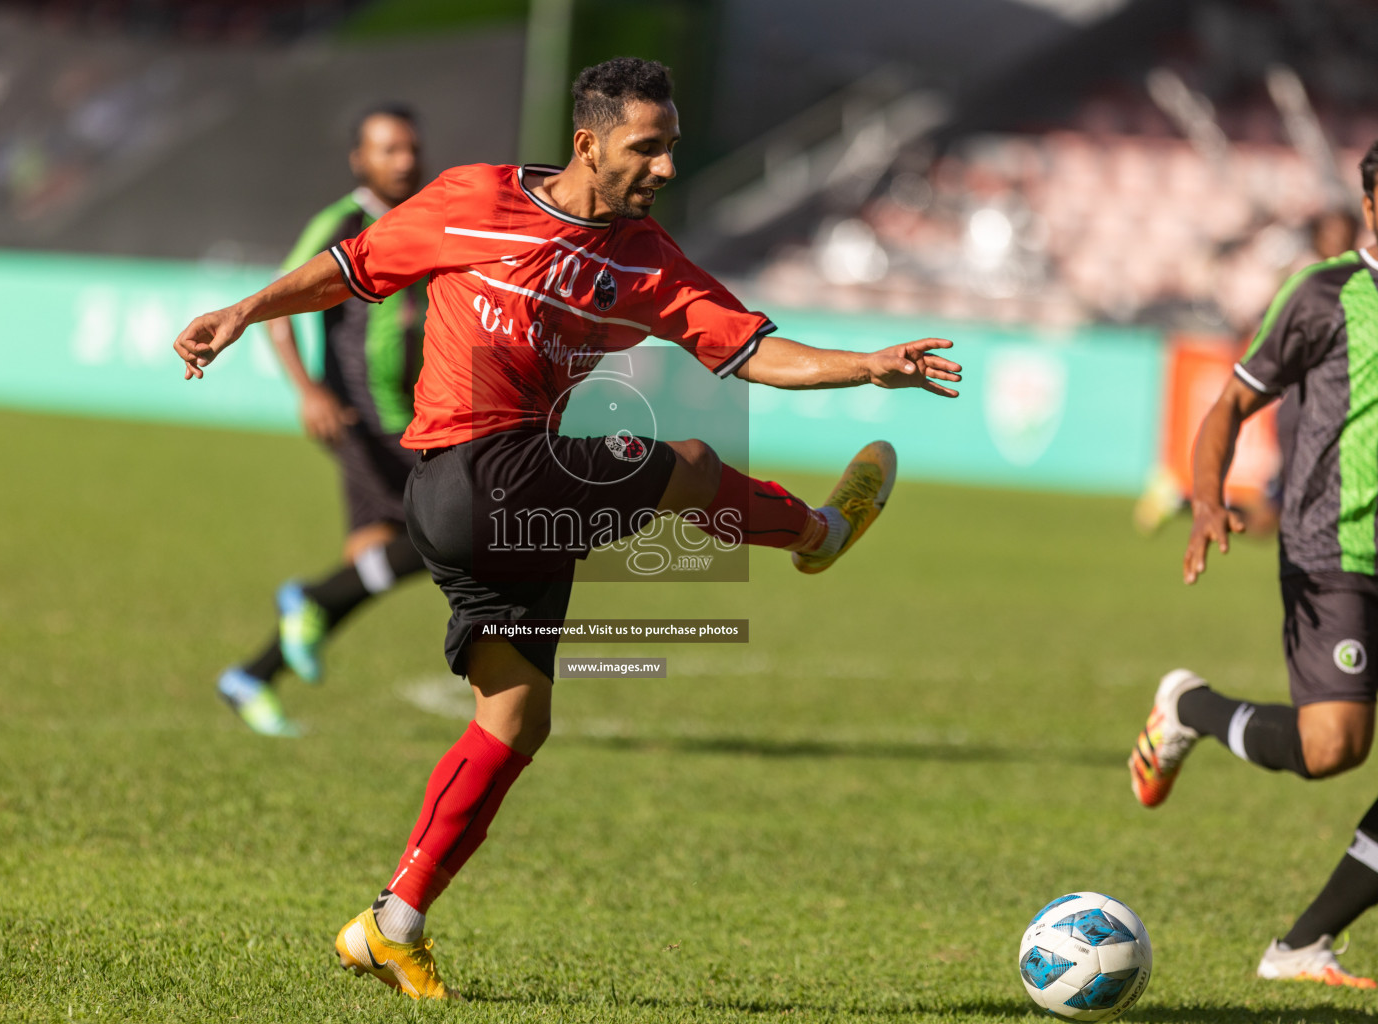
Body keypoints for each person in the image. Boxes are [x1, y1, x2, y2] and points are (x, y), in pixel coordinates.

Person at [174, 57, 961, 1000]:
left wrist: (863, 364)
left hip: (498, 502)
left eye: (672, 147)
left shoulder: (647, 261)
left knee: (515, 719)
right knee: (692, 469)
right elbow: (351, 268)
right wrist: (245, 309)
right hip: (471, 473)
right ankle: (816, 536)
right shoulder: (474, 198)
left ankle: (393, 924)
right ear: (588, 142)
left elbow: (750, 349)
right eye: (648, 147)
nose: (666, 167)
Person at [1128, 139, 1378, 990]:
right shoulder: (1323, 294)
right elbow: (1232, 401)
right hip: (1333, 552)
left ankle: (1302, 947)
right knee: (1333, 748)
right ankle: (1190, 707)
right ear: (1372, 207)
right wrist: (1205, 498)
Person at [215, 104, 430, 737]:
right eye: (388, 150)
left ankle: (251, 675)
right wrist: (308, 390)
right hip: (364, 420)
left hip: (410, 417)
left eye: (411, 148)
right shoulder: (344, 221)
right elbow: (279, 302)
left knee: (368, 564)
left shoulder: (421, 220)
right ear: (359, 159)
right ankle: (304, 604)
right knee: (453, 528)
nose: (404, 160)